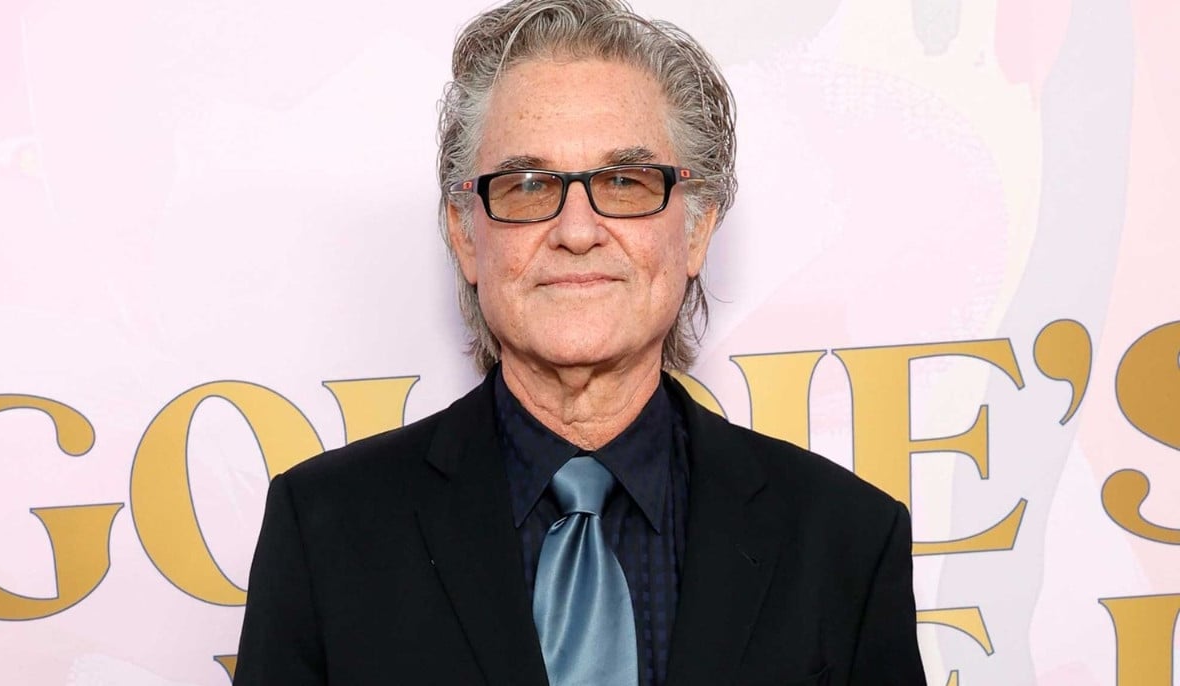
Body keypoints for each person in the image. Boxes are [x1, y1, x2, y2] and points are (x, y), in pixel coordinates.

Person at [233, 0, 926, 684]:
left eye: (624, 182)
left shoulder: (845, 540)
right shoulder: (325, 533)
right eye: (528, 186)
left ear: (697, 229)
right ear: (465, 235)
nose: (576, 231)